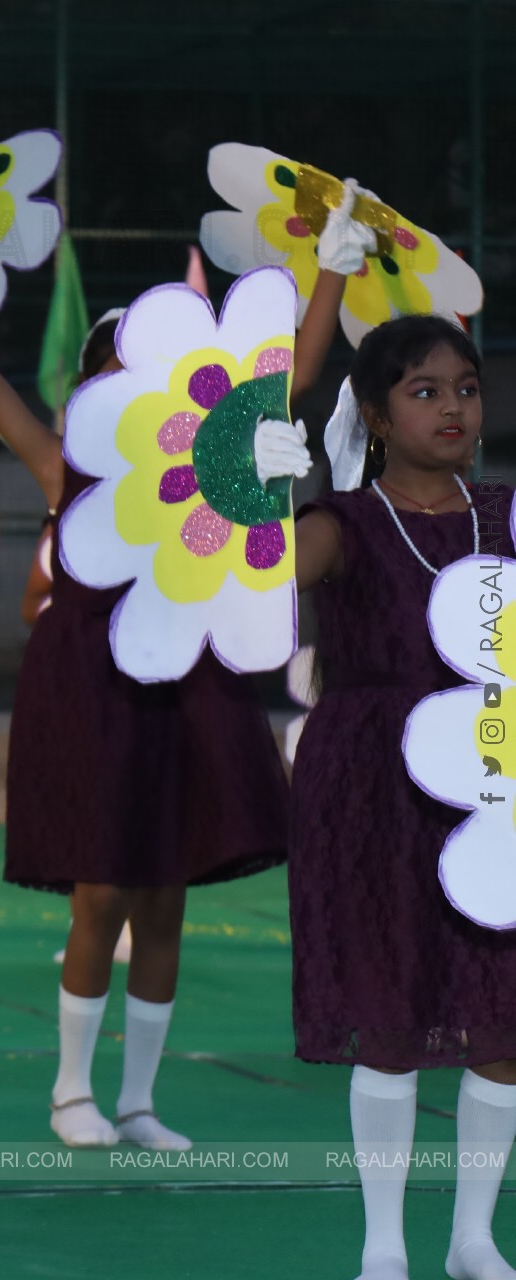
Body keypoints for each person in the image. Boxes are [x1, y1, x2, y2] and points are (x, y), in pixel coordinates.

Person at [0, 177, 287, 1150]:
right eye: (110, 367)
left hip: (190, 682)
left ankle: (136, 1099)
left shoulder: (213, 468)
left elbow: (285, 373)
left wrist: (326, 271)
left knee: (168, 889)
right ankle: (69, 1092)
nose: (121, 382)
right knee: (103, 887)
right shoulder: (65, 466)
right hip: (91, 686)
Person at [283, 315, 516, 1280]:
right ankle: (384, 1245)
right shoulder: (339, 524)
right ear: (375, 416)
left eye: (465, 387)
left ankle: (472, 1238)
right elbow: (249, 589)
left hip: (491, 782)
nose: (453, 406)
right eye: (425, 391)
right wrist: (264, 494)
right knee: (385, 1011)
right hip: (369, 786)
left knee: (501, 1012)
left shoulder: (504, 514)